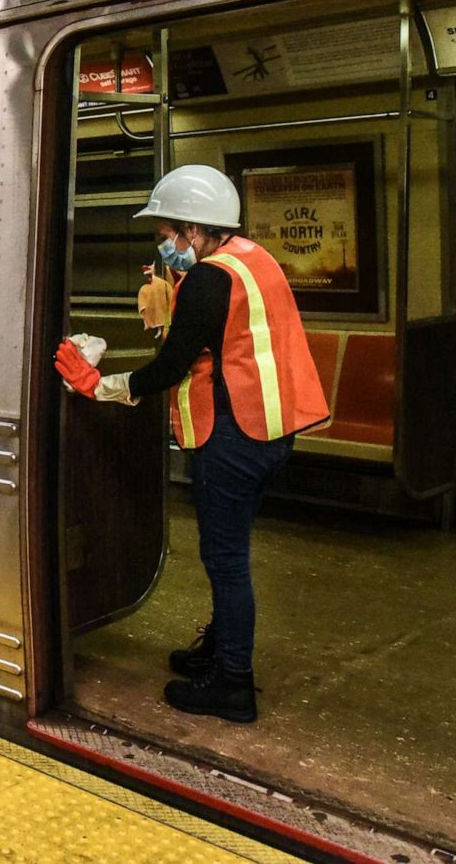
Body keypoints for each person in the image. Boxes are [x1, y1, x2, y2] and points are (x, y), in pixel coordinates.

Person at [53, 164, 329, 723]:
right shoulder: (254, 260)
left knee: (225, 561)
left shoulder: (208, 279)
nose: (165, 246)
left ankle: (232, 683)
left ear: (193, 229)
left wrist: (98, 385)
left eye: (166, 235)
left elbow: (172, 367)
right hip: (272, 434)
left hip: (232, 436)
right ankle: (219, 646)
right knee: (230, 553)